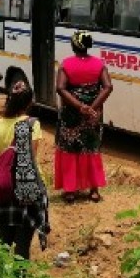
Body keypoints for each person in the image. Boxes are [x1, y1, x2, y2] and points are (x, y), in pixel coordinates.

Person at [0, 81, 50, 260]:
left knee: (3, 245)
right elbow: (29, 159)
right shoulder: (30, 125)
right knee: (22, 248)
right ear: (29, 103)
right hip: (27, 193)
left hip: (3, 193)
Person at [54, 30, 113, 202]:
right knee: (91, 149)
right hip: (93, 115)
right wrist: (92, 108)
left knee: (70, 150)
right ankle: (94, 191)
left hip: (71, 114)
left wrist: (80, 107)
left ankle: (71, 191)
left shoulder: (66, 64)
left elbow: (60, 88)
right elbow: (108, 86)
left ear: (73, 46)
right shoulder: (99, 64)